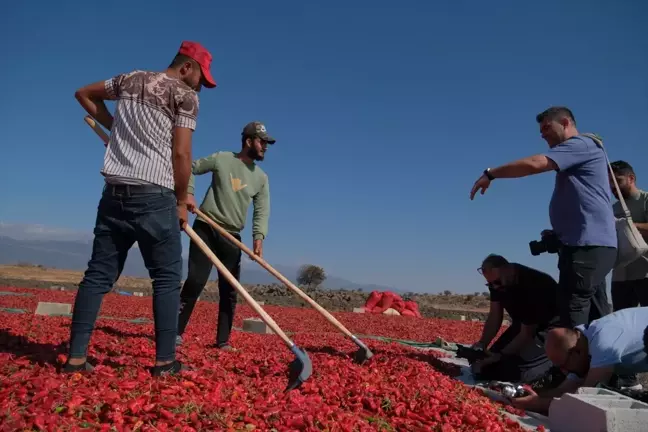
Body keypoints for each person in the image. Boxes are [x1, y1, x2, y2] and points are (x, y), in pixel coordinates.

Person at [63, 41, 217, 376]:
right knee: (165, 278)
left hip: (114, 194)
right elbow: (182, 154)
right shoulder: (184, 95)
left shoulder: (129, 80)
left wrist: (114, 123)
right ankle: (165, 362)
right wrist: (180, 199)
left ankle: (75, 358)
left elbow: (83, 94)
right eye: (200, 79)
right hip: (155, 197)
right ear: (187, 67)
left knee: (98, 275)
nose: (200, 87)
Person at [469, 106, 616, 328]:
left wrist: (491, 174)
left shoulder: (582, 145)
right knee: (594, 312)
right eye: (540, 130)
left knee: (572, 309)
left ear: (566, 123)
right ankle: (595, 359)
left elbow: (535, 164)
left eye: (547, 127)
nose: (542, 134)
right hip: (579, 244)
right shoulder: (579, 153)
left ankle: (574, 361)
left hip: (587, 246)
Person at [176, 121, 274, 349]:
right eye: (262, 142)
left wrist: (258, 237)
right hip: (207, 227)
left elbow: (262, 210)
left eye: (267, 143)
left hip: (232, 236)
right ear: (249, 141)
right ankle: (175, 332)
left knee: (229, 290)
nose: (265, 147)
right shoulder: (222, 158)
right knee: (195, 281)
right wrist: (188, 194)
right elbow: (190, 168)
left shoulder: (261, 178)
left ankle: (222, 340)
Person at [511, 307, 648, 414]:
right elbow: (565, 389)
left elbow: (587, 396)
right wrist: (533, 396)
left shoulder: (603, 344)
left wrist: (539, 404)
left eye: (563, 366)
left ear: (576, 352)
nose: (564, 371)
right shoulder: (581, 343)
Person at [470, 254, 562, 387]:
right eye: (490, 284)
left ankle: (552, 366)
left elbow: (527, 334)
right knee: (485, 367)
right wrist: (482, 344)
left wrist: (500, 355)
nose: (495, 287)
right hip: (521, 326)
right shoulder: (498, 282)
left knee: (516, 373)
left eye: (497, 282)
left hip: (547, 330)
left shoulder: (533, 285)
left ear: (509, 270)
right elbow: (495, 315)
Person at [607, 160, 648, 390]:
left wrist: (628, 225)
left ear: (631, 178)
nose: (613, 187)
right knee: (623, 328)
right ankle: (629, 381)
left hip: (646, 273)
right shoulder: (611, 209)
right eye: (610, 183)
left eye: (617, 181)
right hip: (621, 276)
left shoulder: (645, 200)